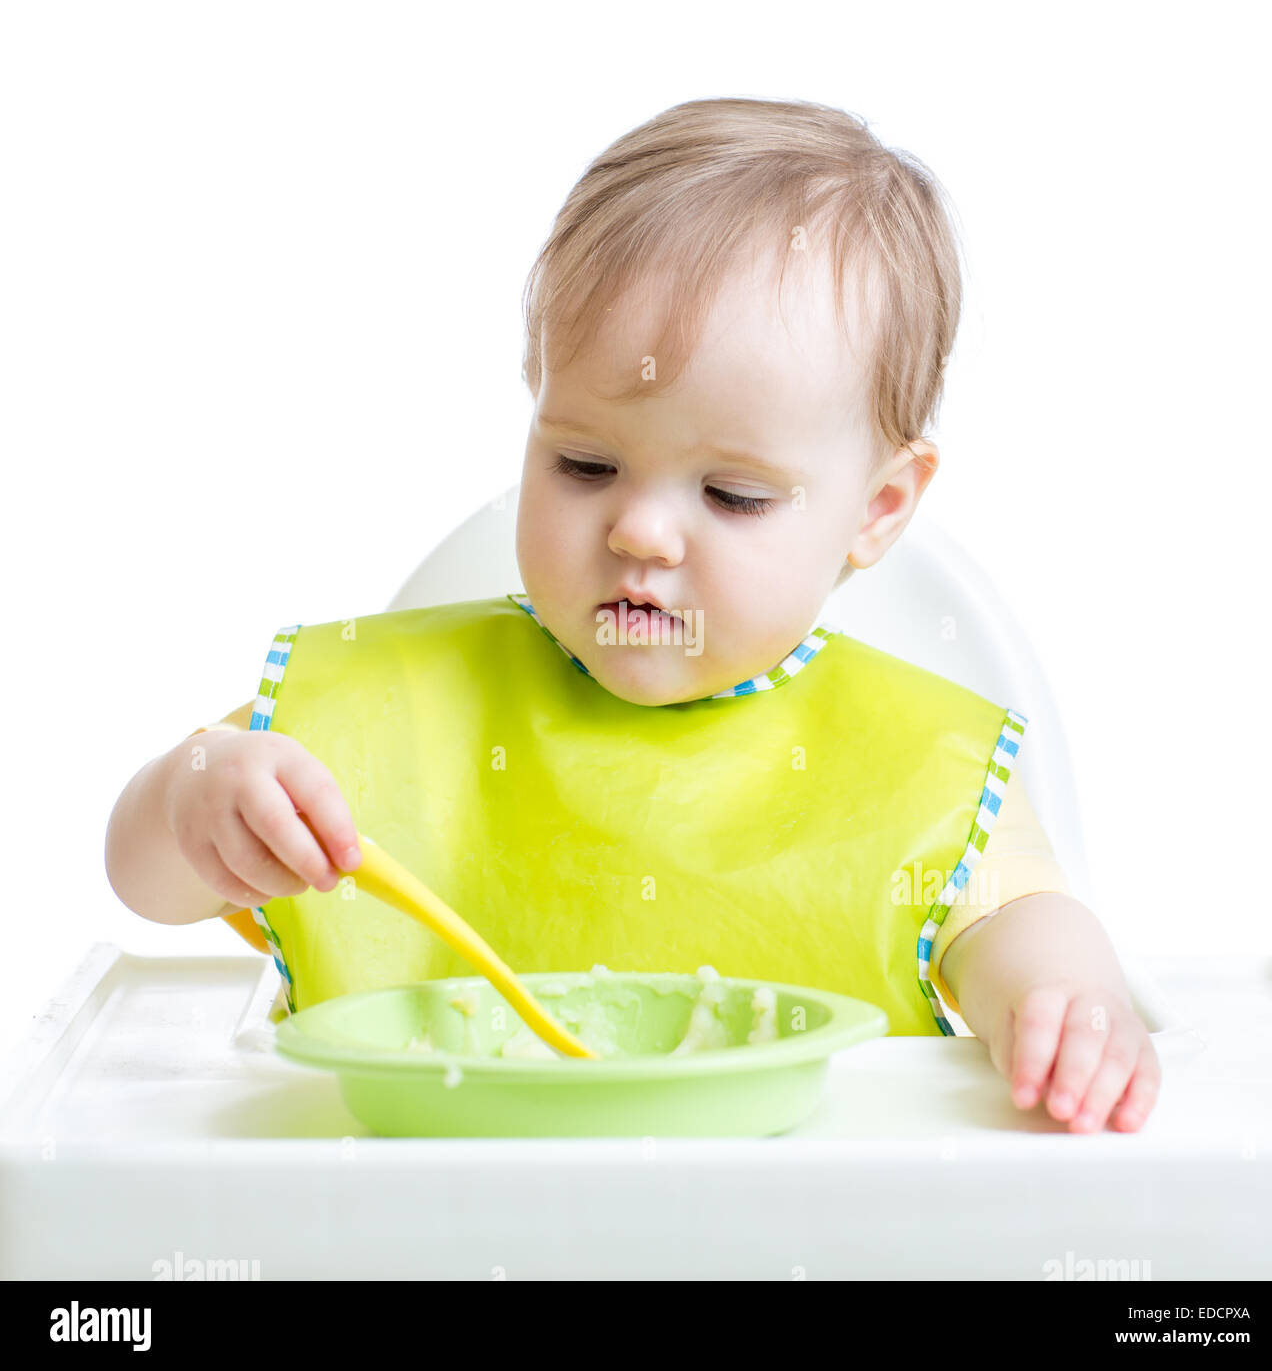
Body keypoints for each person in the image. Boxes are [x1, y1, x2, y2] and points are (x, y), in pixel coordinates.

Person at [105, 96, 1159, 1133]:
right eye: (585, 462)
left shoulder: (917, 762)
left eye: (733, 494)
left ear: (875, 509)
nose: (641, 532)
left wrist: (1068, 1003)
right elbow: (143, 874)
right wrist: (197, 799)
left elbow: (1020, 920)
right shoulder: (394, 714)